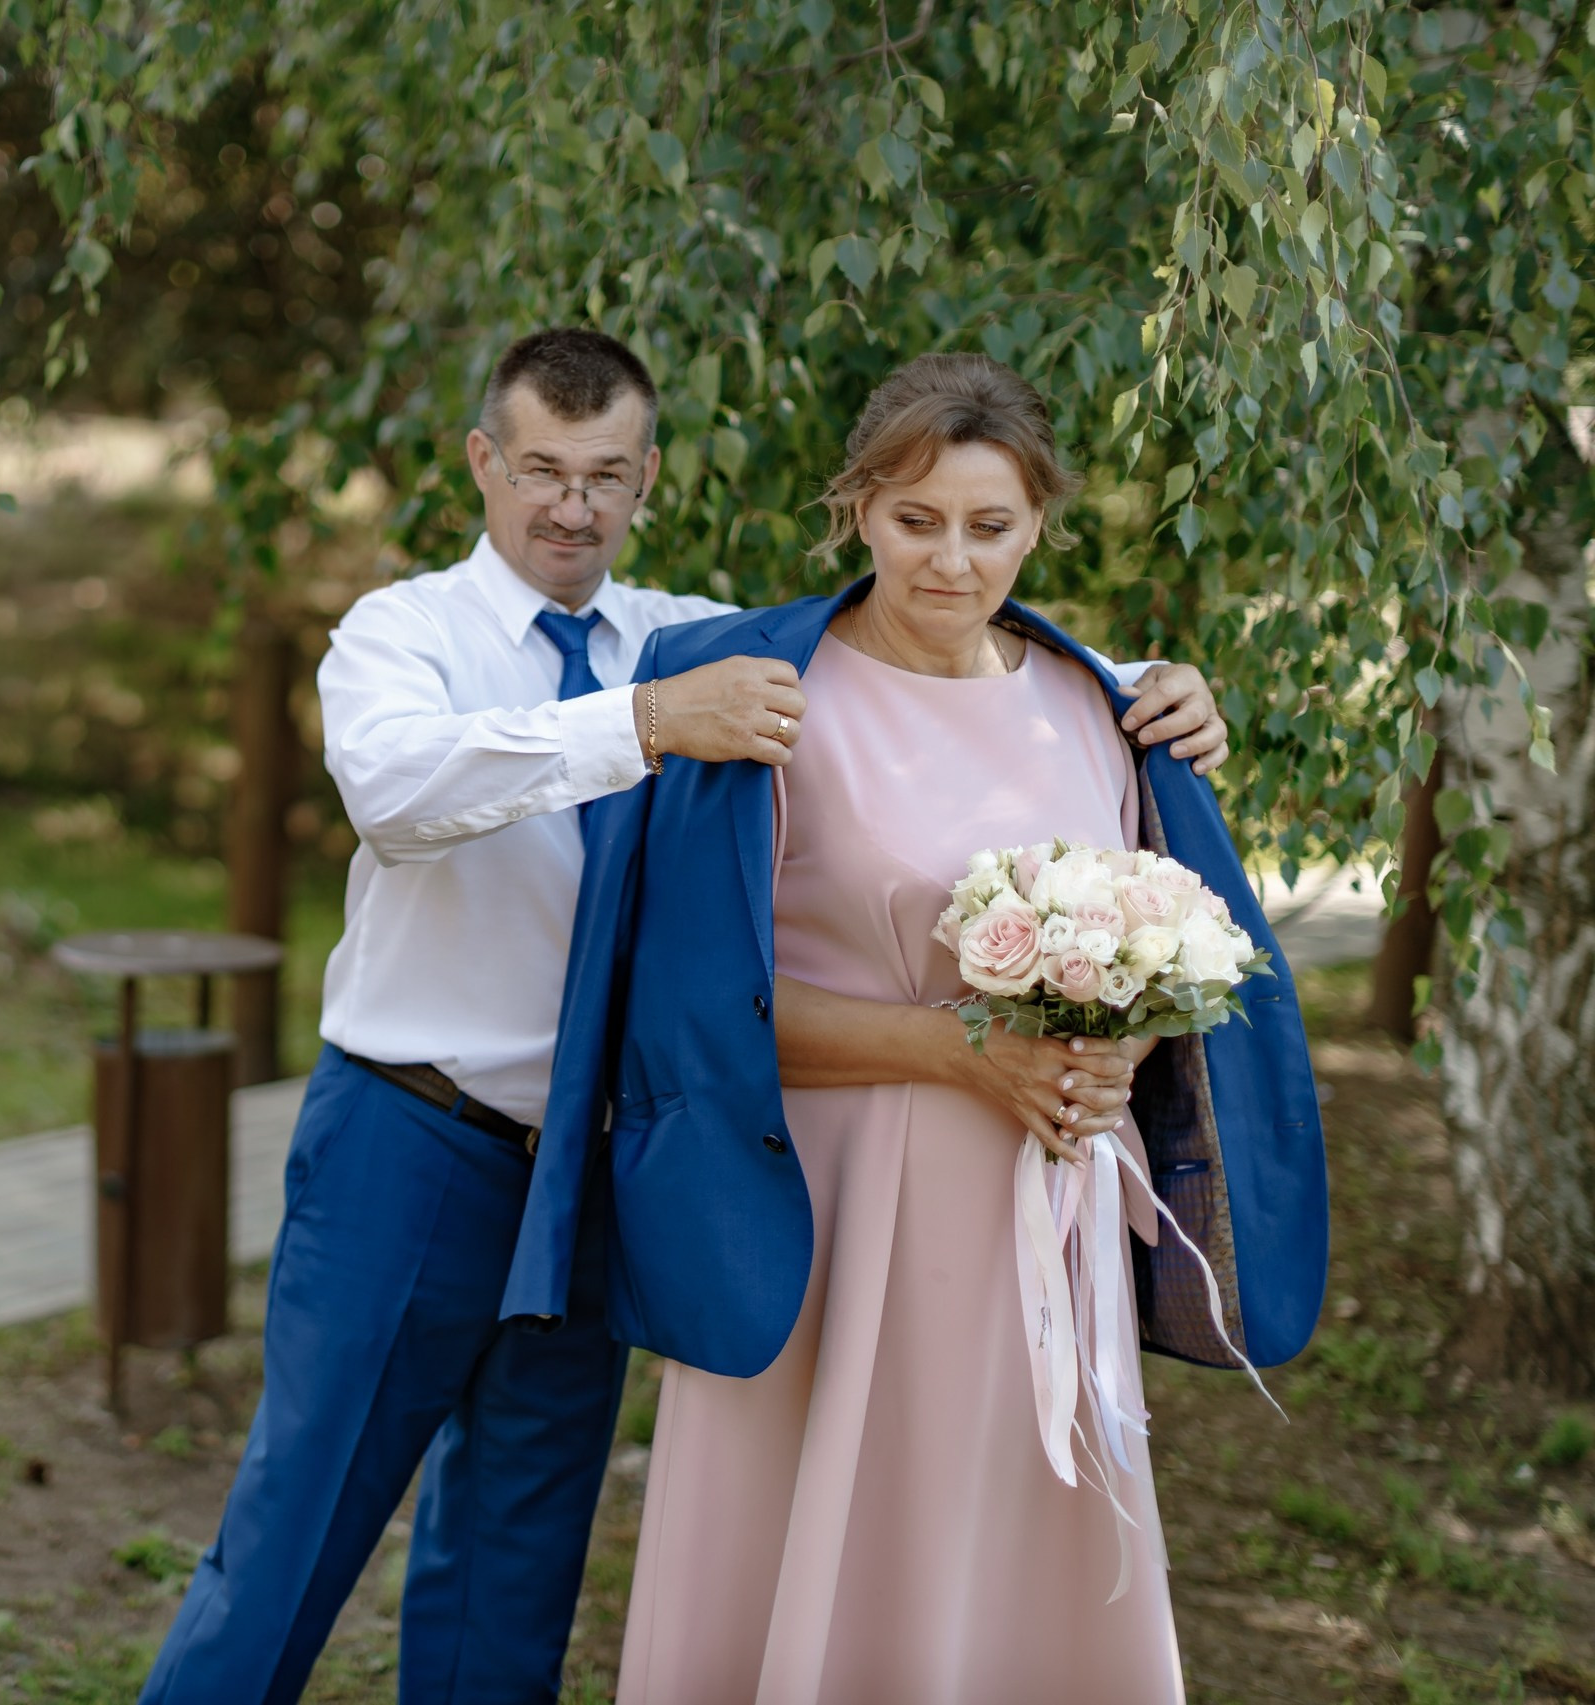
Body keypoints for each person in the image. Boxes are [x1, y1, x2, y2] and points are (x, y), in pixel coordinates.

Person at [141, 331, 1234, 1705]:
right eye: (541, 468)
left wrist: (1154, 685)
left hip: (598, 1160)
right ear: (485, 463)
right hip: (411, 1140)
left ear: (646, 479)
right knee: (291, 1537)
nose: (571, 506)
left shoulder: (693, 634)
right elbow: (395, 791)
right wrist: (646, 721)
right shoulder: (410, 633)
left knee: (512, 1568)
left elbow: (914, 642)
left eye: (605, 475)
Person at [505, 352, 1327, 1703]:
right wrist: (968, 1051)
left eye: (990, 526)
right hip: (816, 1200)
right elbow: (700, 1015)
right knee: (815, 1534)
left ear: (1040, 526)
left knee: (999, 1540)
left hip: (1034, 1207)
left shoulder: (1098, 705)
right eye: (916, 519)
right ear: (858, 510)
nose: (952, 559)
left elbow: (1149, 939)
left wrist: (1115, 1046)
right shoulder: (765, 696)